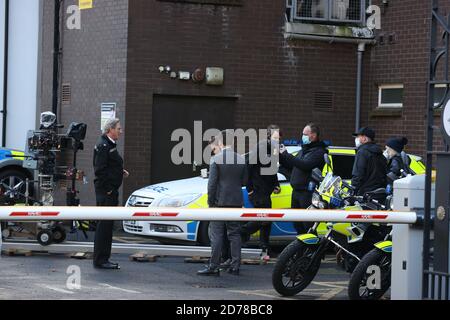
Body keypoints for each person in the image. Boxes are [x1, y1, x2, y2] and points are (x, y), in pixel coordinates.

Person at [198, 130, 247, 276]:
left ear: (220, 142)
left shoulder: (216, 159)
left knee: (217, 234)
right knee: (234, 234)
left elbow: (211, 184)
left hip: (219, 202)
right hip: (236, 201)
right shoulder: (241, 159)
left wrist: (210, 201)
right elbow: (244, 181)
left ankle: (214, 266)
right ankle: (235, 266)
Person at [93, 118, 129, 270]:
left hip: (109, 191)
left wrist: (120, 172)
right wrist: (108, 189)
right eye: (118, 129)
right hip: (106, 192)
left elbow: (109, 165)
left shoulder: (109, 144)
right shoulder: (103, 145)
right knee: (105, 227)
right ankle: (101, 260)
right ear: (110, 130)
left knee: (107, 226)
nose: (120, 131)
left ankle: (103, 258)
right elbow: (100, 170)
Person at [279, 123, 327, 234]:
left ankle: (312, 250)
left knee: (307, 226)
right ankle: (300, 250)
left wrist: (287, 154)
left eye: (305, 134)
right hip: (296, 192)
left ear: (313, 135)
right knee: (297, 225)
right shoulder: (304, 150)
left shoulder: (319, 152)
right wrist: (281, 156)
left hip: (307, 193)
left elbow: (305, 165)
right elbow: (292, 165)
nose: (302, 136)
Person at [241, 125, 282, 254]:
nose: (277, 140)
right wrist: (249, 189)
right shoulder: (260, 148)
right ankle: (241, 233)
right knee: (263, 219)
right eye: (275, 137)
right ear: (269, 137)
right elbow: (248, 166)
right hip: (258, 190)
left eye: (279, 138)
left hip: (266, 190)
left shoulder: (273, 149)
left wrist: (276, 184)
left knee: (266, 220)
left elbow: (273, 170)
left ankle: (264, 246)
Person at [351, 127, 387, 197]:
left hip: (365, 194)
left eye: (358, 137)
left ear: (365, 139)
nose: (356, 139)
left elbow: (358, 174)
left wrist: (353, 190)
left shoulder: (362, 152)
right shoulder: (379, 153)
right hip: (379, 193)